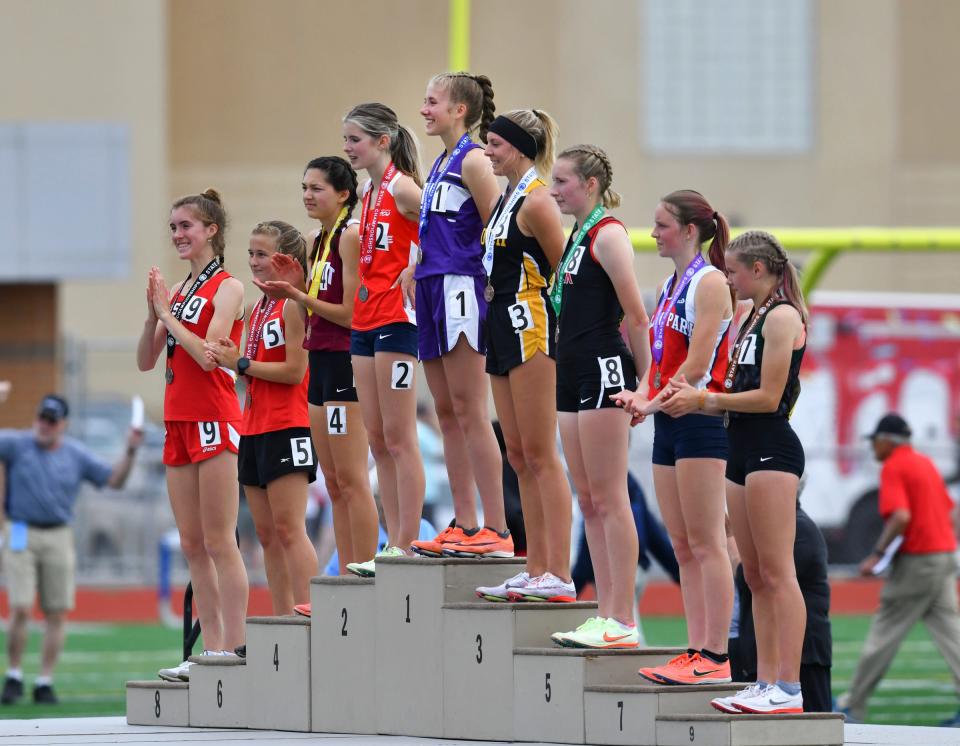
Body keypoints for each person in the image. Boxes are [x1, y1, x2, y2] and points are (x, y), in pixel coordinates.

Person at [657, 229, 808, 713]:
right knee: (756, 576)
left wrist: (705, 400)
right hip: (740, 447)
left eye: (734, 270)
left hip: (771, 449)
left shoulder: (782, 317)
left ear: (757, 270)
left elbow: (767, 397)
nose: (727, 277)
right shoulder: (749, 316)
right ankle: (765, 682)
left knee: (779, 571)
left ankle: (788, 685)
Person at [612, 190, 734, 684]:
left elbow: (698, 367)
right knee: (682, 544)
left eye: (661, 225)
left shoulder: (710, 284)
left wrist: (650, 400)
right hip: (670, 420)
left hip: (701, 419)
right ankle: (694, 649)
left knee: (708, 543)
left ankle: (716, 656)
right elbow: (660, 364)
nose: (653, 233)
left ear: (689, 230)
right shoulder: (669, 285)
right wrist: (639, 393)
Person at [137, 189, 249, 681]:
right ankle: (208, 649)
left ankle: (234, 645)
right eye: (174, 228)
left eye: (187, 226)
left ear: (211, 231)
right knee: (191, 542)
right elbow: (146, 360)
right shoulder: (178, 293)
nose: (179, 235)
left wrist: (168, 316)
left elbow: (209, 354)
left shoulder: (228, 286)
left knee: (221, 540)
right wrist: (153, 315)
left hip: (214, 415)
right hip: (178, 420)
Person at [256, 156, 379, 593]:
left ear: (343, 194)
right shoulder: (315, 238)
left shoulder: (350, 236)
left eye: (317, 188)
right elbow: (310, 304)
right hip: (320, 364)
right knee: (333, 480)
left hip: (346, 358)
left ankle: (363, 570)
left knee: (351, 477)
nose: (307, 195)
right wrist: (296, 286)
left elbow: (349, 313)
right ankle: (347, 573)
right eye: (304, 187)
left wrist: (296, 295)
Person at [402, 72, 512, 560]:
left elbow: (497, 228)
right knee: (446, 412)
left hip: (460, 289)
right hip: (429, 289)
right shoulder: (442, 161)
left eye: (432, 102)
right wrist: (415, 262)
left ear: (459, 110)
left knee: (470, 411)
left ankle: (497, 526)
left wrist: (488, 287)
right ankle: (465, 523)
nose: (424, 109)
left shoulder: (473, 160)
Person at [545, 145, 650, 647]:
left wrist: (644, 384)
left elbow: (636, 315)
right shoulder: (576, 236)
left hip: (606, 367)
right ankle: (605, 611)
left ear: (589, 184)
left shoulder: (608, 237)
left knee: (610, 497)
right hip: (572, 368)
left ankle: (622, 617)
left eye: (562, 181)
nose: (554, 190)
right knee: (586, 497)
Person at [471, 109, 575, 603]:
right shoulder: (505, 199)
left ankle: (558, 569)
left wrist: (569, 335)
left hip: (530, 326)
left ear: (517, 148)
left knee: (539, 453)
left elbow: (565, 270)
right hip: (499, 328)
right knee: (518, 455)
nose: (487, 152)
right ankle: (535, 566)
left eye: (493, 144)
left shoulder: (537, 202)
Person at [205, 220, 318, 618]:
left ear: (284, 259)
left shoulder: (292, 303)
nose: (253, 261)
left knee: (290, 529)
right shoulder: (259, 307)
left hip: (288, 425)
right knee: (267, 535)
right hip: (252, 427)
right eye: (250, 253)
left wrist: (241, 362)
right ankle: (284, 616)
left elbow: (293, 371)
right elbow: (248, 368)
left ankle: (308, 614)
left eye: (262, 254)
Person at [0, 395, 142, 705]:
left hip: (58, 532)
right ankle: (13, 674)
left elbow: (114, 480)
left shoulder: (75, 454)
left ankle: (44, 680)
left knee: (56, 611)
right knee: (21, 606)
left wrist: (130, 449)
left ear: (62, 424)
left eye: (51, 420)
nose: (44, 425)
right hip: (20, 529)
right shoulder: (17, 443)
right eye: (41, 418)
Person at [340, 103, 426, 576]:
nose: (348, 148)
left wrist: (418, 266)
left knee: (398, 436)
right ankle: (392, 541)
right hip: (366, 320)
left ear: (382, 141)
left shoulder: (402, 186)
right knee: (376, 437)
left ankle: (406, 542)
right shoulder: (369, 191)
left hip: (397, 318)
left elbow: (450, 230)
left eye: (355, 139)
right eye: (346, 140)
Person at [836, 413, 960, 725]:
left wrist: (877, 554)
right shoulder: (925, 463)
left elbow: (901, 516)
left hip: (918, 563)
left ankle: (853, 705)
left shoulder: (894, 465)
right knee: (953, 637)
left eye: (875, 440)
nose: (872, 447)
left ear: (887, 441)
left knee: (884, 632)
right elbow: (952, 512)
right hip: (943, 557)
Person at [729, 496, 833, 713]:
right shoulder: (782, 527)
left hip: (805, 655)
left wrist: (732, 544)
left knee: (813, 724)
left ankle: (787, 688)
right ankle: (767, 685)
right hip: (776, 651)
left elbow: (761, 579)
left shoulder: (798, 527)